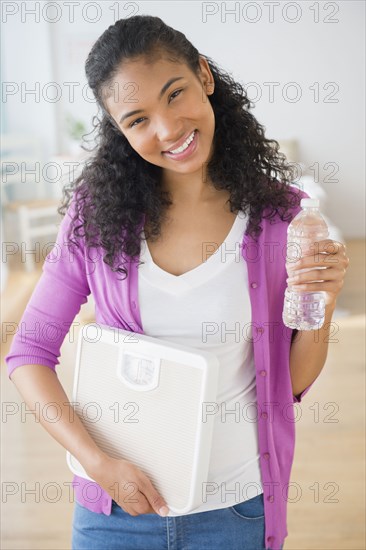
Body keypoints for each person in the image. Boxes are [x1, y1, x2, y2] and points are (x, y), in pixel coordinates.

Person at [5, 14, 349, 550]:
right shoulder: (96, 219)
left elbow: (291, 383)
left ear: (204, 76)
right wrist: (98, 465)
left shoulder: (282, 219)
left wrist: (322, 308)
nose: (167, 130)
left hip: (235, 510)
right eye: (137, 119)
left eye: (175, 94)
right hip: (114, 513)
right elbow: (27, 353)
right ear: (119, 131)